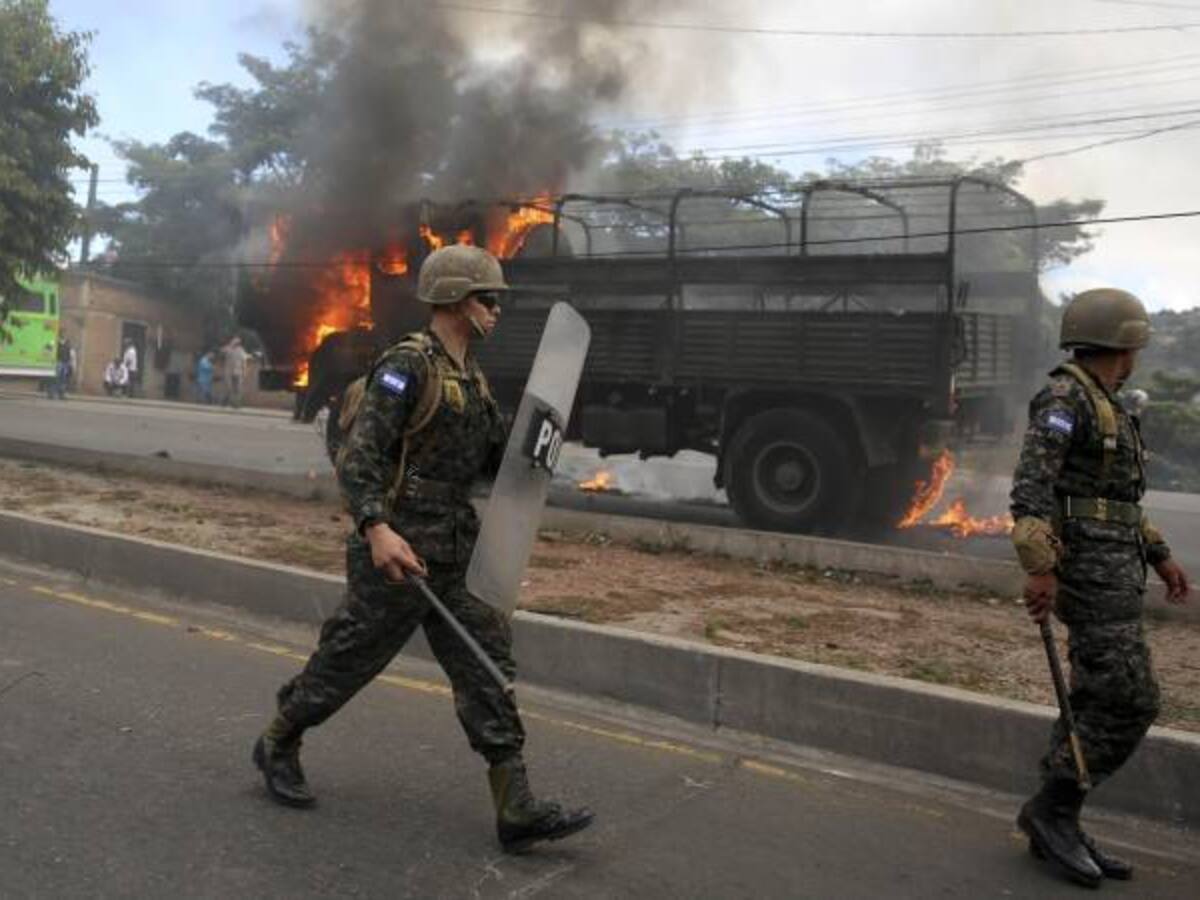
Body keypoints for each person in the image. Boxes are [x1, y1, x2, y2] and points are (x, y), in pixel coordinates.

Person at [252, 245, 593, 853]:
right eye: (490, 299)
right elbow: (361, 459)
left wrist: (533, 450)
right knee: (349, 659)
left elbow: (487, 464)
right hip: (398, 543)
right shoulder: (406, 366)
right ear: (460, 300)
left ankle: (515, 806)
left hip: (456, 547)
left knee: (487, 663)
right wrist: (376, 529)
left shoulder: (472, 378)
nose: (497, 310)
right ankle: (279, 739)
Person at [1010, 288, 1191, 887]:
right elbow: (1033, 489)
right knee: (1131, 699)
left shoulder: (1108, 402)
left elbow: (1117, 500)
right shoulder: (1065, 400)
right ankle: (1053, 808)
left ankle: (1057, 816)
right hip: (1085, 572)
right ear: (1127, 343)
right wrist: (1039, 566)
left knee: (1092, 698)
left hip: (1115, 570)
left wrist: (1160, 555)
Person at [223, 336, 248, 409]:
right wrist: (231, 345)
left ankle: (236, 404)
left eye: (237, 342)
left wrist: (245, 371)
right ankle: (225, 401)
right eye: (234, 341)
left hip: (238, 372)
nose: (236, 343)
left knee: (238, 389)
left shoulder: (241, 350)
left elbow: (244, 361)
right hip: (229, 372)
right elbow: (223, 351)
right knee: (229, 388)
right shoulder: (228, 349)